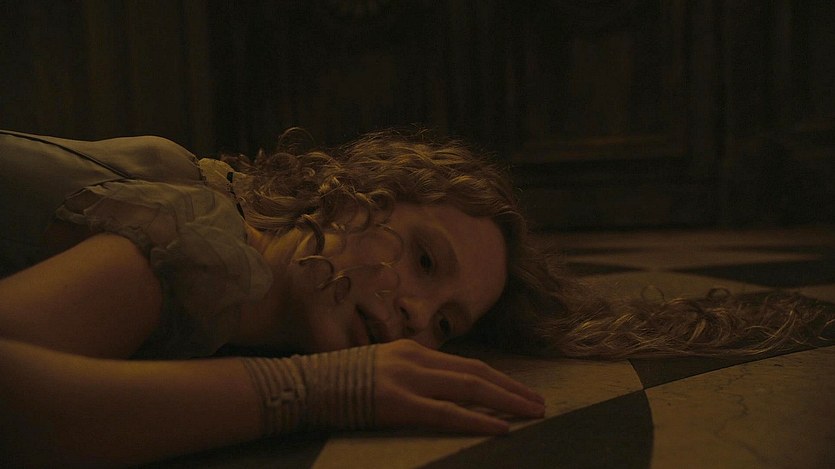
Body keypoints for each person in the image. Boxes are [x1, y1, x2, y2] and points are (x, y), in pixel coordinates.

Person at [0, 128, 829, 466]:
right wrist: (314, 389)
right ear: (348, 196)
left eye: (446, 322)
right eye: (426, 260)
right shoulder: (206, 243)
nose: (413, 317)